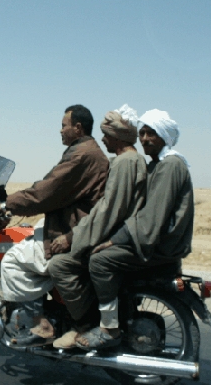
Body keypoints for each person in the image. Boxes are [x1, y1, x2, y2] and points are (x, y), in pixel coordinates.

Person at [0, 104, 109, 346]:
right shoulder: (87, 151)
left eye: (64, 126)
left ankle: (40, 323)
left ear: (78, 127)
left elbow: (46, 191)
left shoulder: (81, 156)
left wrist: (7, 203)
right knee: (30, 235)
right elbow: (50, 187)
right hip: (72, 222)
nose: (60, 130)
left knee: (12, 260)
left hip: (72, 230)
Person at [74, 109, 194, 350]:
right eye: (142, 133)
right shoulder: (158, 165)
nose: (145, 139)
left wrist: (114, 240)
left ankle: (108, 328)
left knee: (99, 261)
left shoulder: (170, 166)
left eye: (152, 134)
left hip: (160, 246)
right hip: (158, 241)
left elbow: (151, 219)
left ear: (164, 137)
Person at [47, 104, 147, 349]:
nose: (103, 139)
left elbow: (108, 210)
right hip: (121, 235)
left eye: (107, 135)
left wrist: (72, 237)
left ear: (118, 136)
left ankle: (85, 324)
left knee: (59, 265)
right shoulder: (131, 160)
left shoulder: (125, 163)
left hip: (115, 237)